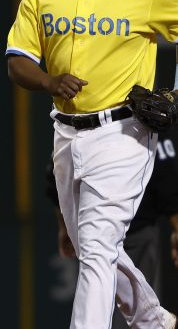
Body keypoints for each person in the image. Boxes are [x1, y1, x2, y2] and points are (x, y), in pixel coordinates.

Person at [6, 0, 178, 329]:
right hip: (65, 132)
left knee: (98, 247)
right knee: (91, 248)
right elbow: (17, 60)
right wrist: (47, 81)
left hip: (123, 132)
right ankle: (154, 320)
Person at [46, 130, 178, 328]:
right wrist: (66, 226)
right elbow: (56, 177)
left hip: (137, 234)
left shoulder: (140, 122)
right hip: (101, 232)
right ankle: (156, 322)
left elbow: (168, 183)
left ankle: (155, 322)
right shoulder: (76, 127)